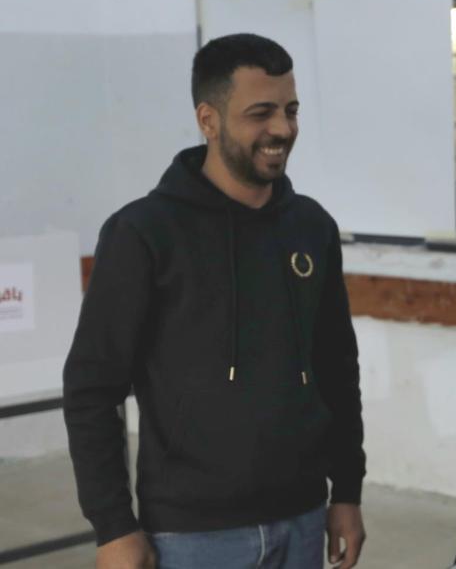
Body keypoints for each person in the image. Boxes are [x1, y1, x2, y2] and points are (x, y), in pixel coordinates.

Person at [62, 33, 366, 569]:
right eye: (261, 113)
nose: (282, 129)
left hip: (302, 519)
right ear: (209, 120)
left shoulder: (311, 226)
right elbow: (92, 389)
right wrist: (113, 527)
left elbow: (337, 369)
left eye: (291, 110)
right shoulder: (143, 233)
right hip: (191, 535)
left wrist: (346, 491)